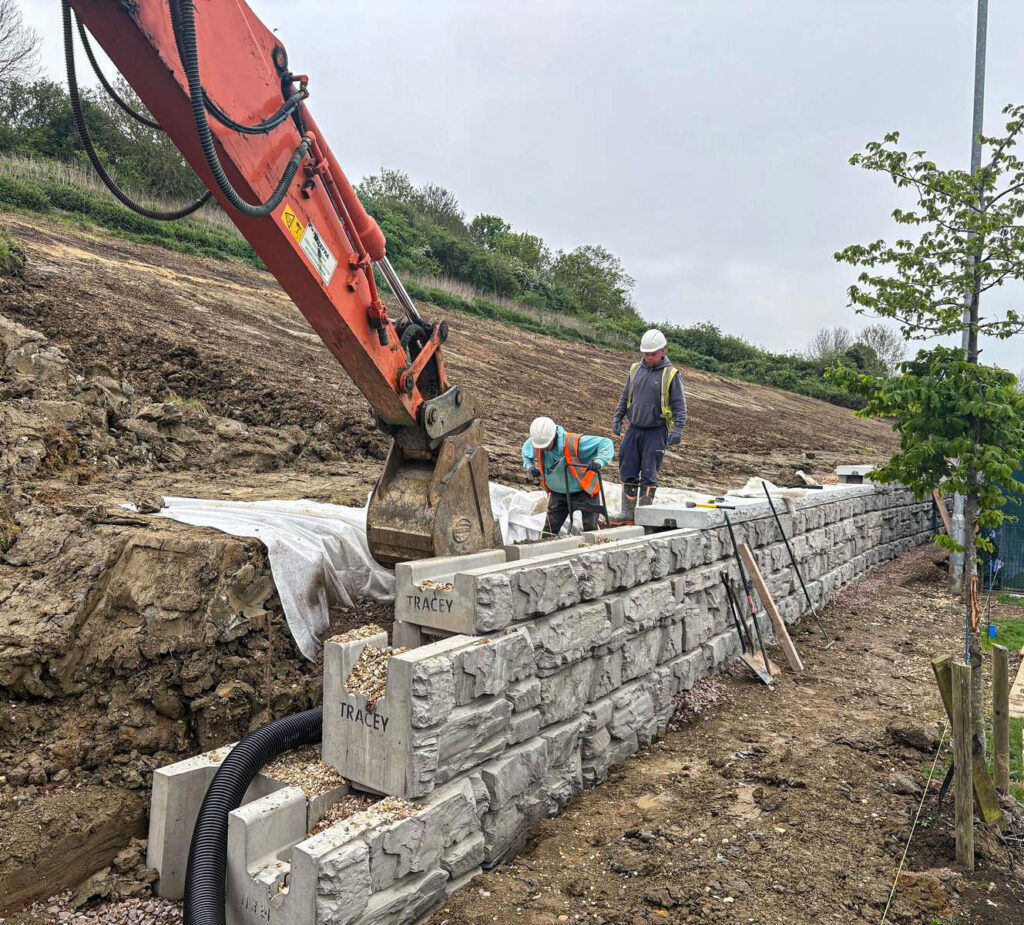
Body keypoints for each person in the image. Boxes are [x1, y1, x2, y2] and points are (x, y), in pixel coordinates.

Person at [611, 328, 687, 519]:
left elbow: (679, 405)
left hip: (656, 431)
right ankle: (627, 514)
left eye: (652, 354)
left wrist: (678, 429)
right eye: (645, 353)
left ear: (662, 350)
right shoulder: (636, 369)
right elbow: (625, 395)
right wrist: (618, 417)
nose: (649, 357)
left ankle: (644, 515)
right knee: (627, 469)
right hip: (634, 428)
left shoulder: (671, 374)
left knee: (648, 472)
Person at [522, 416, 614, 537]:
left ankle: (591, 550)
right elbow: (526, 452)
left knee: (590, 529)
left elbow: (606, 443)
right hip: (558, 491)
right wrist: (530, 466)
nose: (542, 449)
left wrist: (600, 461)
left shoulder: (574, 442)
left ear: (553, 436)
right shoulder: (538, 441)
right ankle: (546, 547)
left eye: (545, 445)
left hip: (584, 490)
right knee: (549, 528)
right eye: (540, 446)